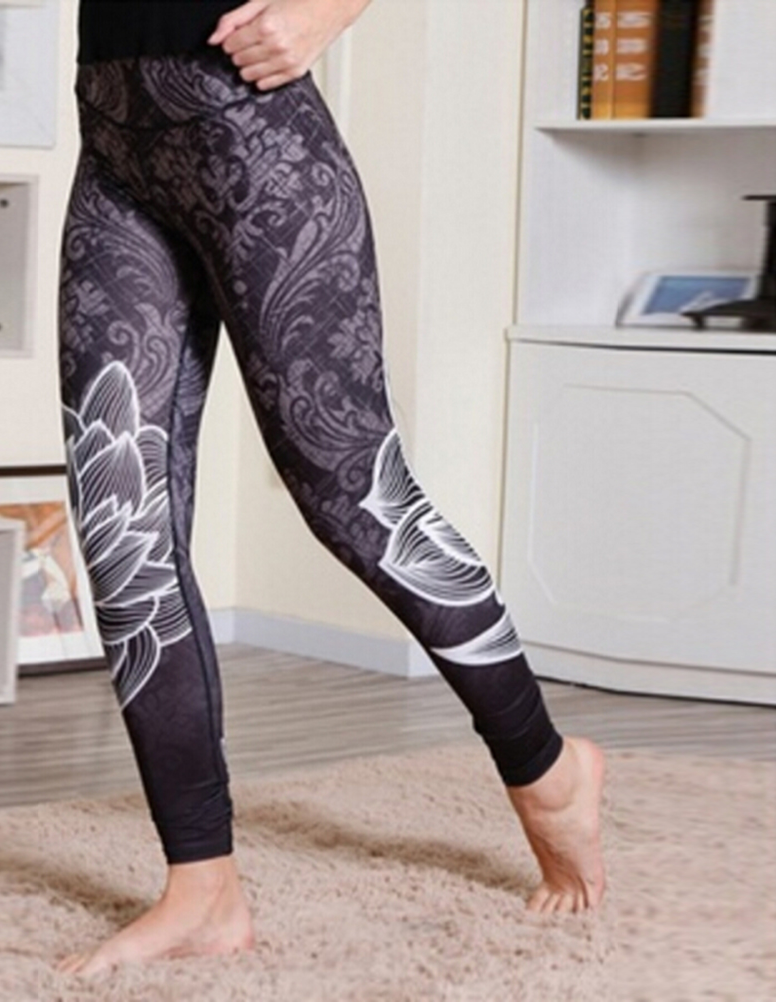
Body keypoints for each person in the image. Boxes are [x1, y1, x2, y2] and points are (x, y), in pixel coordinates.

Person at [55, 0, 606, 977]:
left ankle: (547, 766)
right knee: (122, 526)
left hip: (252, 134)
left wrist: (327, 5)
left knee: (356, 499)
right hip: (113, 138)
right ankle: (202, 887)